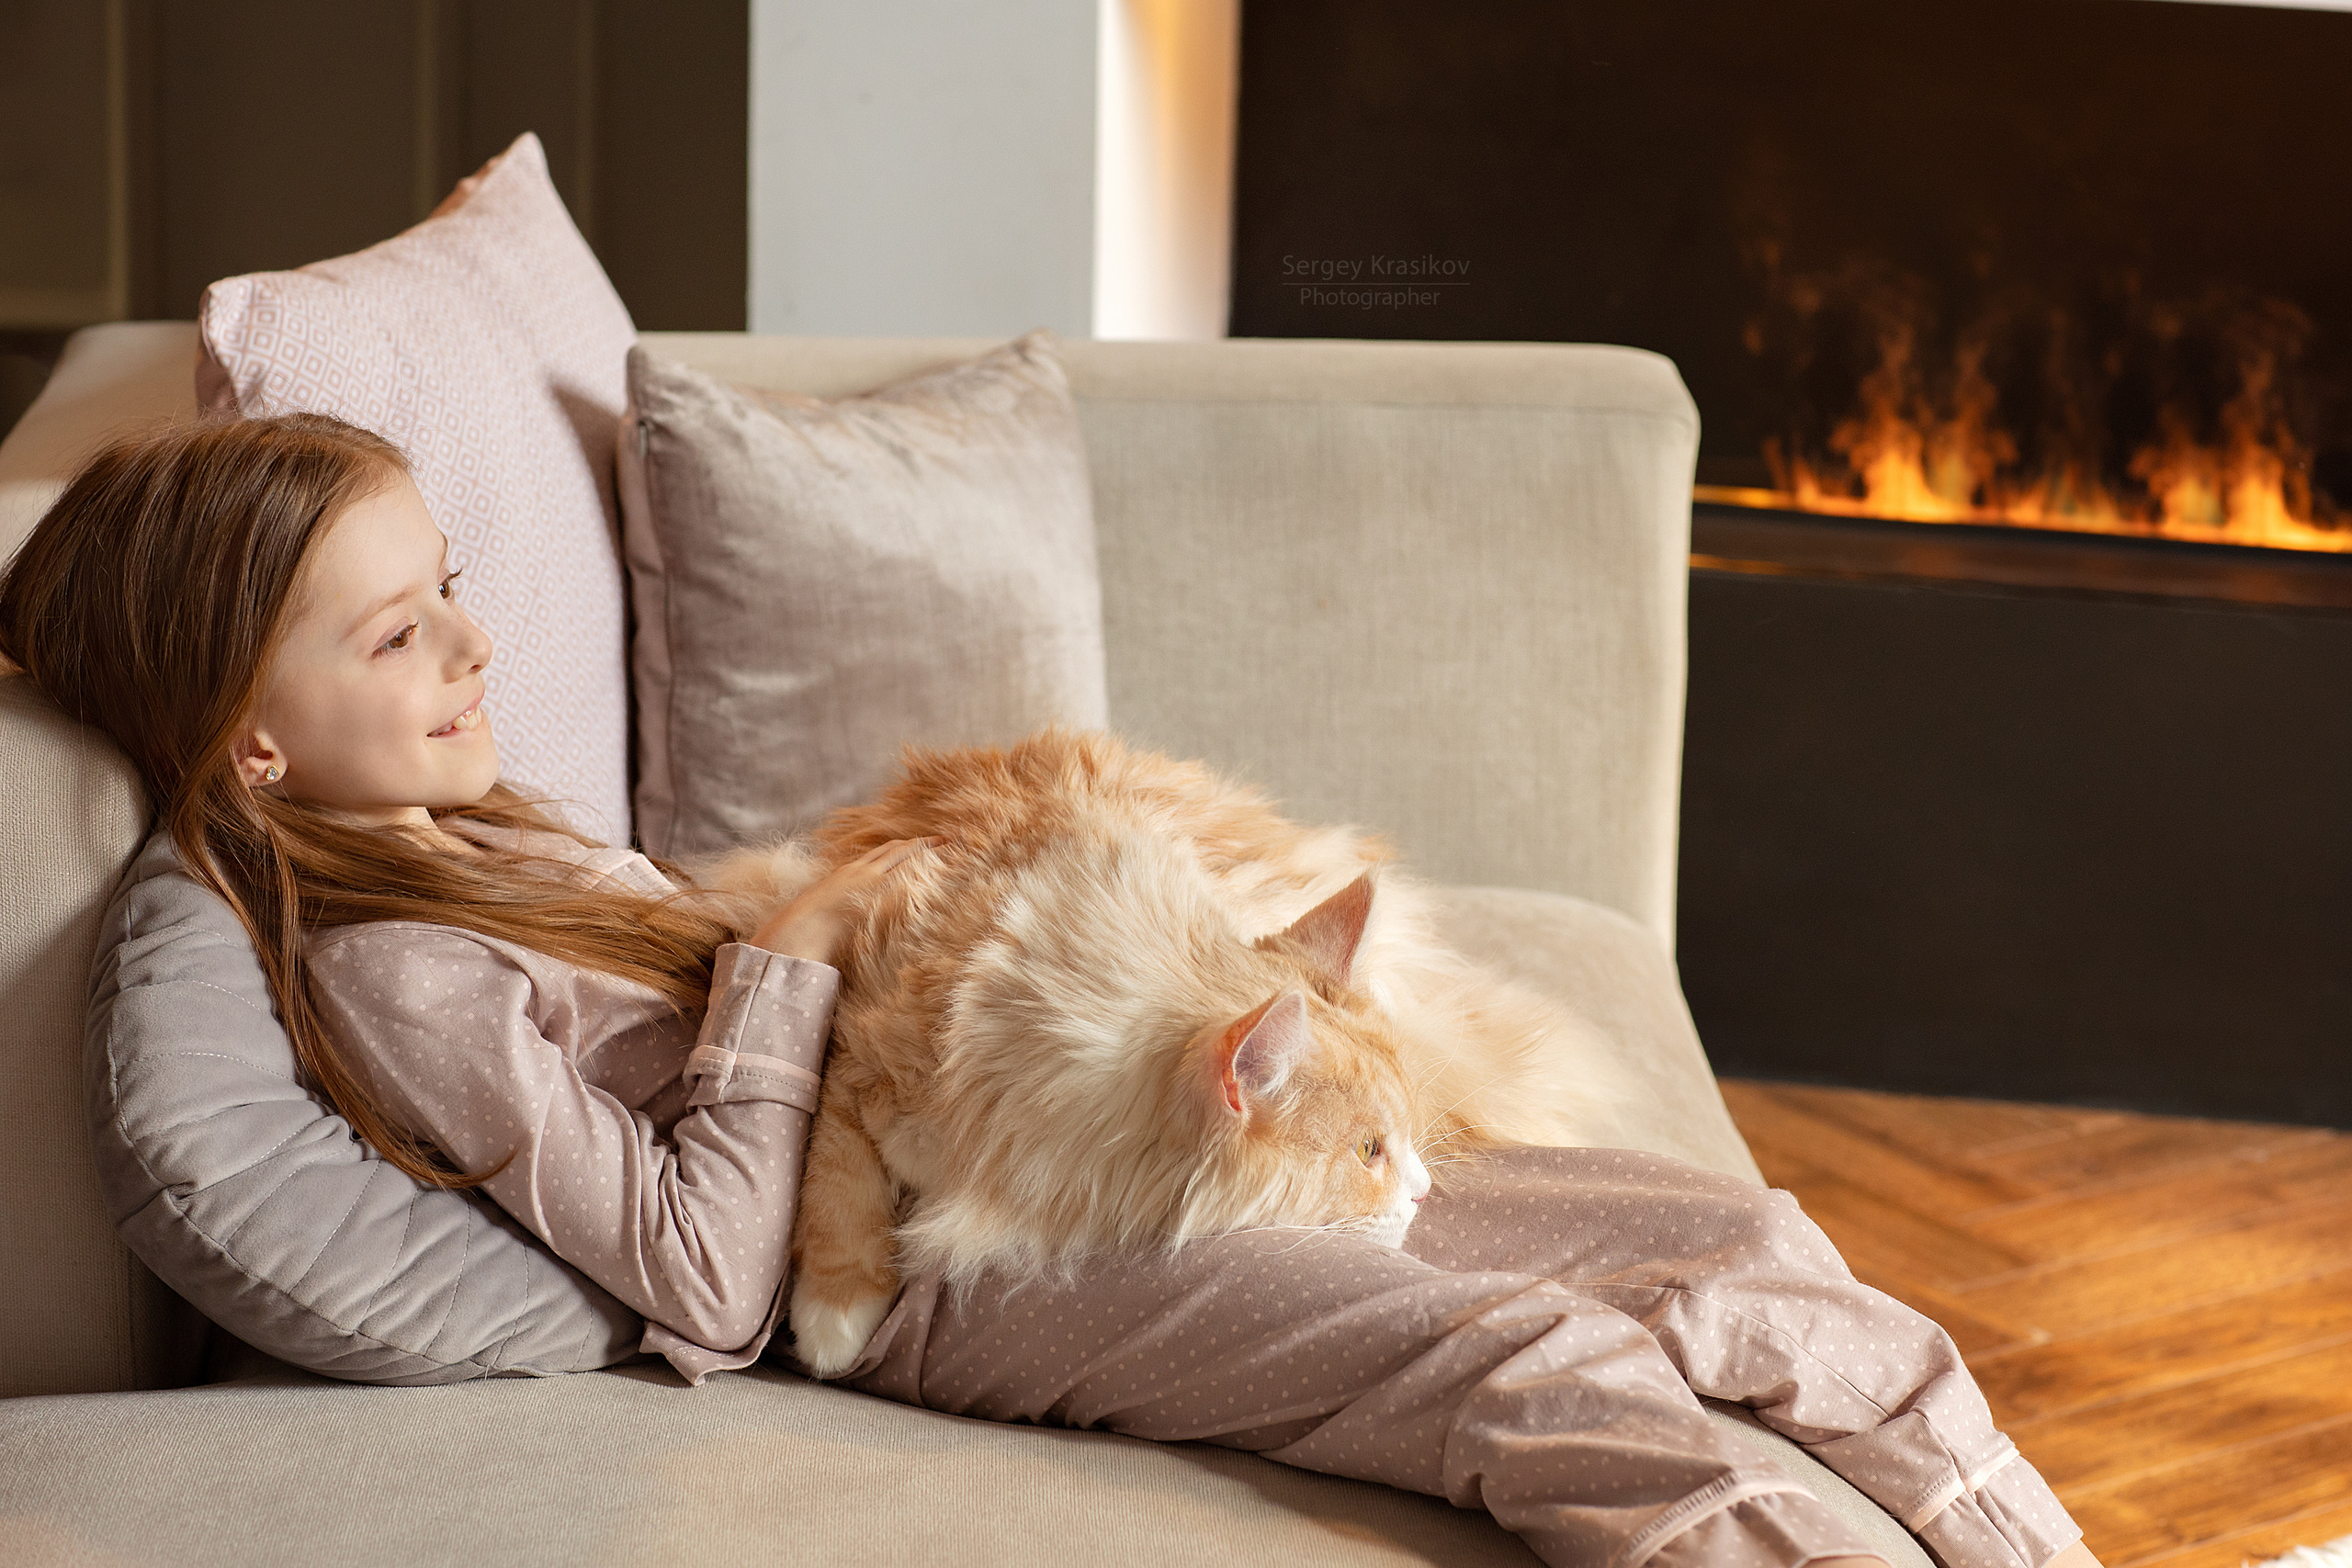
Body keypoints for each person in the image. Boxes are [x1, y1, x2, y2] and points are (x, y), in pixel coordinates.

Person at [0, 413, 2098, 1568]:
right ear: (248, 745)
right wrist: (790, 973)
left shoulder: (493, 837)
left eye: (450, 585)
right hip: (941, 1263)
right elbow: (711, 1280)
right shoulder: (395, 972)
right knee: (1524, 1364)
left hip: (998, 1127)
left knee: (1722, 1235)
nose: (465, 646)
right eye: (394, 637)